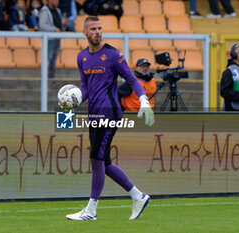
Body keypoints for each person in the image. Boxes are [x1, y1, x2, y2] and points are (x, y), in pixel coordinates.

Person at [64, 16, 155, 221]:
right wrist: (73, 102)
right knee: (102, 162)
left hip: (109, 114)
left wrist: (143, 100)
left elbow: (131, 78)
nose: (97, 32)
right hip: (94, 114)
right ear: (85, 32)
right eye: (93, 29)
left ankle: (91, 210)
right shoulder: (82, 58)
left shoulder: (113, 55)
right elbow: (86, 89)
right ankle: (138, 196)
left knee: (96, 160)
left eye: (100, 28)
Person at [39, 0, 64, 78]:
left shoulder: (58, 10)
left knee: (53, 60)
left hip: (57, 38)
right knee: (47, 59)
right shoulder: (44, 10)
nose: (57, 1)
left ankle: (51, 78)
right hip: (49, 39)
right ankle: (43, 78)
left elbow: (59, 24)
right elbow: (42, 25)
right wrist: (54, 29)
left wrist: (63, 25)